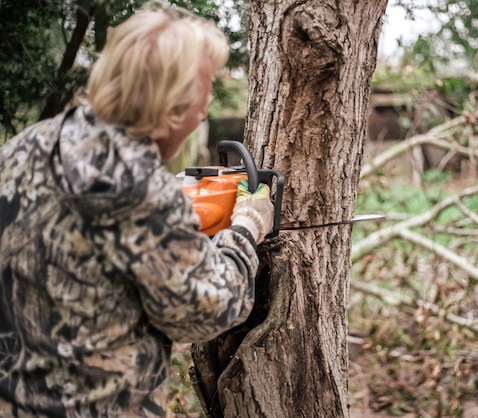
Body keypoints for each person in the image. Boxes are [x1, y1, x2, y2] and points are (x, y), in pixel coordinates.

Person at [0, 2, 274, 417]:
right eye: (205, 93)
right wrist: (245, 230)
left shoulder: (24, 147)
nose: (206, 111)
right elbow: (207, 310)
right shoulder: (139, 187)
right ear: (169, 110)